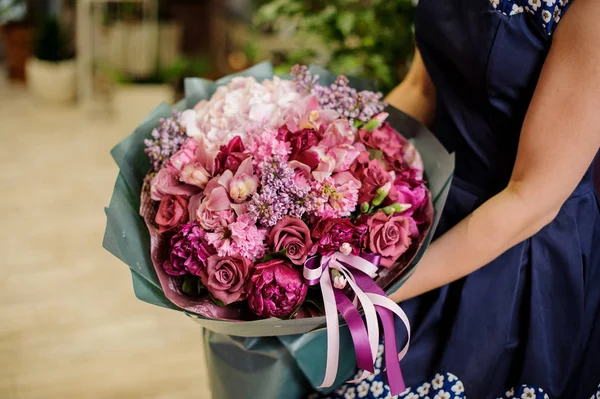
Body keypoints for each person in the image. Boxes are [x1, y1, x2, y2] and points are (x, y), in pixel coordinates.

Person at [313, 0, 600, 398]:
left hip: (518, 249)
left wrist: (364, 294)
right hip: (427, 206)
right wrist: (328, 164)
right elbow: (421, 89)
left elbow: (531, 200)